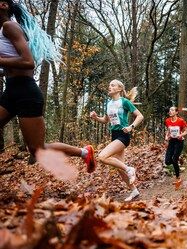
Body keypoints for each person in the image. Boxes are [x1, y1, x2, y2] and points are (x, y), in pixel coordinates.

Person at [0, 0, 96, 173]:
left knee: (37, 150)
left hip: (26, 93)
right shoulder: (3, 31)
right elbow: (11, 66)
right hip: (11, 91)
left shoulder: (9, 26)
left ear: (3, 5)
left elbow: (28, 62)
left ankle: (84, 152)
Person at [90, 81, 144, 201]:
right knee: (119, 168)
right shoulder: (108, 103)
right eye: (109, 85)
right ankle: (134, 190)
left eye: (113, 85)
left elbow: (140, 116)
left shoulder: (124, 102)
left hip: (123, 135)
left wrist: (131, 126)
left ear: (119, 89)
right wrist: (95, 118)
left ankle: (129, 169)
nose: (109, 87)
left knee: (102, 157)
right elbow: (105, 120)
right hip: (114, 135)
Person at [165, 106, 187, 189]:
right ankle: (177, 163)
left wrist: (181, 135)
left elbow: (186, 131)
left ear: (176, 112)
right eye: (169, 110)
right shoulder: (167, 121)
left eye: (172, 110)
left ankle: (178, 178)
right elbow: (168, 130)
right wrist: (166, 136)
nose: (170, 111)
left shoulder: (180, 121)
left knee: (174, 159)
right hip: (171, 141)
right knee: (167, 161)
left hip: (179, 141)